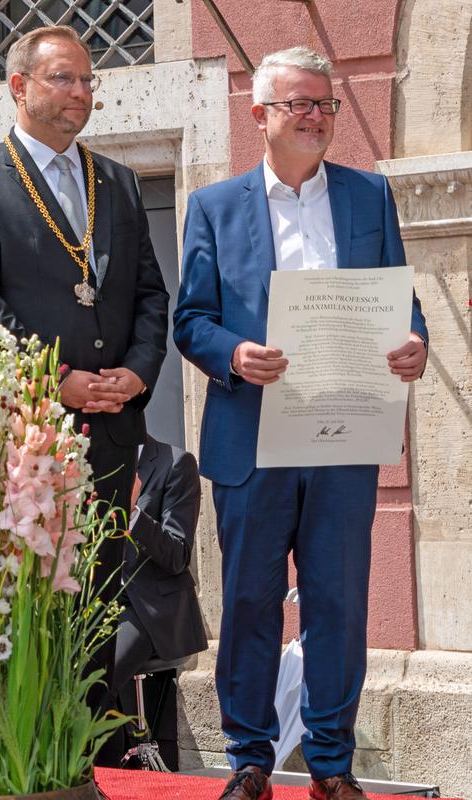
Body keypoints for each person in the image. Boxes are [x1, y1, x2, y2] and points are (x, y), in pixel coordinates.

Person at [173, 47, 428, 800]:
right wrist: (234, 353)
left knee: (338, 605)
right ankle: (249, 761)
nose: (316, 117)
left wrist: (414, 341)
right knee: (250, 602)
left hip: (347, 436)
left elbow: (400, 302)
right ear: (260, 116)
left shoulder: (367, 198)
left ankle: (330, 765)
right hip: (252, 438)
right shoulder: (215, 207)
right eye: (299, 105)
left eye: (326, 105)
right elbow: (191, 320)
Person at [0, 25, 169, 695]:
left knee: (99, 606)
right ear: (18, 86)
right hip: (27, 439)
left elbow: (152, 295)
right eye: (64, 78)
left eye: (88, 80)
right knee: (31, 612)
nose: (81, 92)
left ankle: (94, 765)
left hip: (114, 434)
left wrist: (139, 370)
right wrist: (56, 380)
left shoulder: (119, 184)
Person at [113, 434, 208, 697]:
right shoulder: (87, 463)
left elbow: (177, 556)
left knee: (94, 681)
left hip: (148, 608)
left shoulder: (176, 463)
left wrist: (132, 514)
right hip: (96, 607)